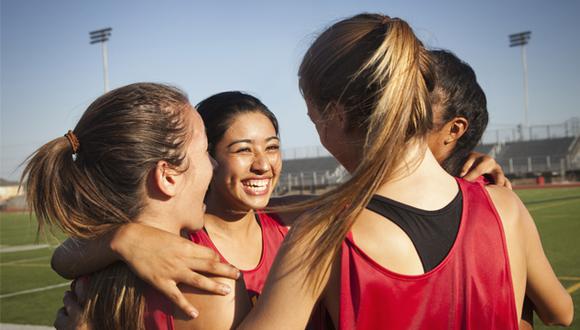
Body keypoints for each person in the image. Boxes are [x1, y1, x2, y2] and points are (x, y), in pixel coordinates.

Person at [236, 13, 573, 329]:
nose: (320, 135)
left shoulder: (322, 236)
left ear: (337, 116)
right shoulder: (506, 209)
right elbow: (560, 312)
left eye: (315, 120)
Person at [22, 83, 237, 329]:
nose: (215, 164)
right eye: (205, 150)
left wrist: (122, 238)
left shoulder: (86, 273)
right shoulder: (215, 291)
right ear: (168, 177)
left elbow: (60, 259)